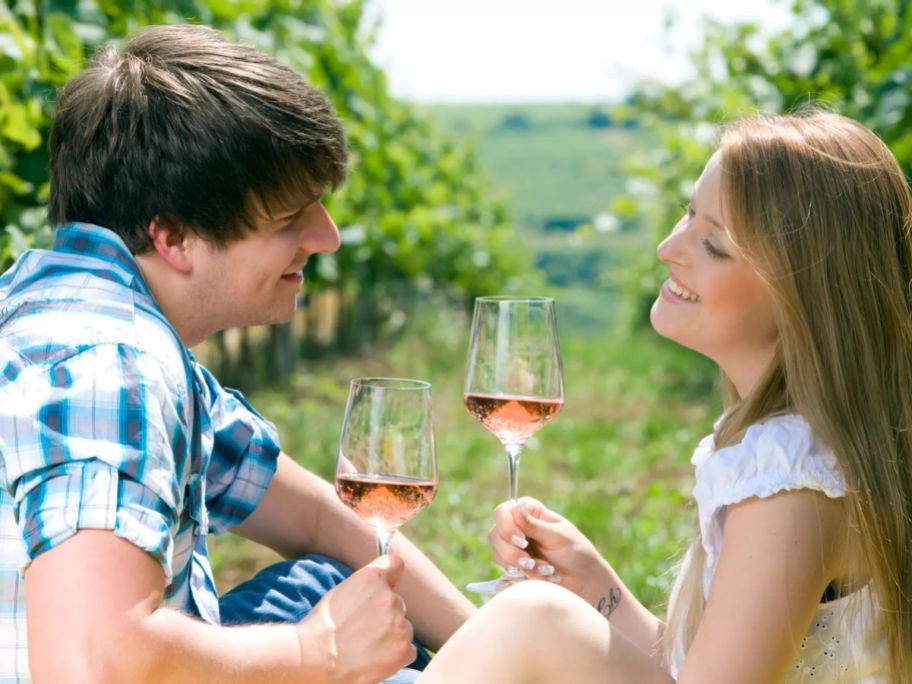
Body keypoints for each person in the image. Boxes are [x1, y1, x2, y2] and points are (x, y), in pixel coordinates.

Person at [0, 24, 474, 684]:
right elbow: (92, 664)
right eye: (289, 220)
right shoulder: (108, 369)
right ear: (176, 237)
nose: (329, 238)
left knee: (327, 579)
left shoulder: (71, 313)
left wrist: (483, 645)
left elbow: (314, 515)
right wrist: (320, 654)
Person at [416, 111, 911, 683]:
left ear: (803, 299)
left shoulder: (791, 477)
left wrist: (546, 619)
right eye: (687, 214)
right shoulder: (809, 452)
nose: (667, 248)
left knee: (532, 618)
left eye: (714, 245)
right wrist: (594, 584)